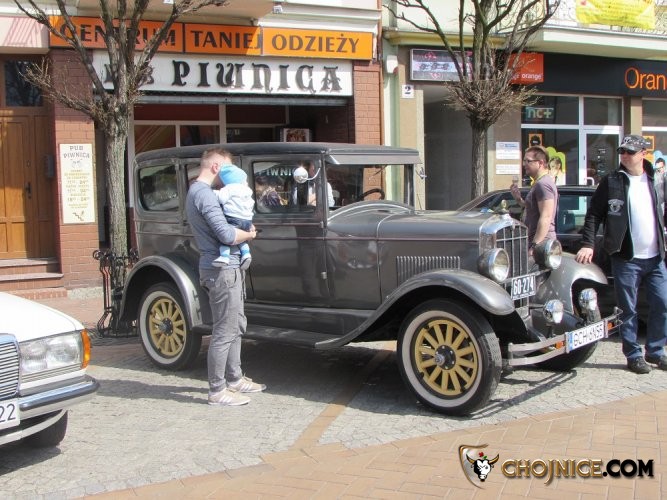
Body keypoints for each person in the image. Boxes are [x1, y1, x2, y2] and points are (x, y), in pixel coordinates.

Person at [575, 135, 667, 374]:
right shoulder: (612, 181)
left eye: (630, 152)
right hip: (626, 257)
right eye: (622, 151)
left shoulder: (657, 179)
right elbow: (594, 214)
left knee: (662, 303)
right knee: (628, 309)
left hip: (656, 257)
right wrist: (588, 244)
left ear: (643, 153)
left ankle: (655, 351)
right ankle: (633, 354)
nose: (625, 155)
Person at [185, 147, 265, 406]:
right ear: (216, 167)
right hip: (221, 270)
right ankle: (217, 390)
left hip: (228, 268)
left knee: (236, 323)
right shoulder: (204, 195)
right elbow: (227, 235)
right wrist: (250, 234)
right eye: (228, 168)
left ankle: (235, 378)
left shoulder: (202, 193)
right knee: (225, 329)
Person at [510, 145, 559, 251]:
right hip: (537, 242)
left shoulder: (543, 184)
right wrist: (519, 199)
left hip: (542, 245)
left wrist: (534, 246)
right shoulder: (538, 182)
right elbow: (533, 209)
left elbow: (546, 216)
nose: (524, 164)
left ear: (540, 163)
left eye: (528, 161)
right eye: (524, 161)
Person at [213, 164, 254, 267]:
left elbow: (221, 198)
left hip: (233, 218)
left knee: (226, 238)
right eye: (245, 180)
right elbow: (251, 203)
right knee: (242, 238)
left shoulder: (229, 188)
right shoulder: (247, 190)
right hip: (247, 220)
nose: (246, 182)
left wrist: (213, 192)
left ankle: (224, 257)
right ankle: (246, 254)